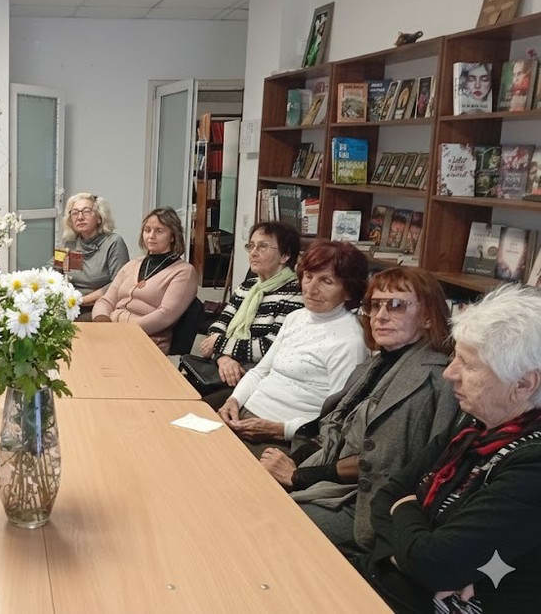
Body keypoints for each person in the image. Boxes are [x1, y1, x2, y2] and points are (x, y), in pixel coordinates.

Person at [363, 284, 541, 613]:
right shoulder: (474, 427)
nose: (449, 373)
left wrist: (405, 511)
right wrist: (405, 556)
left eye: (469, 365)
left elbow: (436, 562)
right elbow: (386, 496)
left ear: (523, 384)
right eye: (454, 357)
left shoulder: (531, 462)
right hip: (398, 585)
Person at [259, 268, 459, 556]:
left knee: (263, 521)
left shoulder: (434, 379)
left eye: (396, 305)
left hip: (364, 503)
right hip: (328, 480)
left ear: (428, 316)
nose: (380, 316)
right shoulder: (375, 364)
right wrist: (294, 464)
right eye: (375, 305)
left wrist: (298, 476)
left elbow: (384, 464)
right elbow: (333, 429)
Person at [216, 241, 369, 457]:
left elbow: (336, 418)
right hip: (245, 415)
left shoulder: (350, 341)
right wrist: (233, 400)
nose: (311, 289)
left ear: (349, 291)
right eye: (308, 277)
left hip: (285, 438)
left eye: (326, 281)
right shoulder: (296, 317)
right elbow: (261, 371)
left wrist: (280, 430)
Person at [199, 221, 304, 396]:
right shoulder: (248, 286)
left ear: (285, 255)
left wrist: (219, 344)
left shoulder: (295, 294)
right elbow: (219, 325)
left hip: (258, 379)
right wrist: (223, 359)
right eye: (251, 246)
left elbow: (269, 348)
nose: (253, 253)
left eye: (262, 246)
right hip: (224, 368)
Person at [92, 207, 197, 354]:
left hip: (146, 341)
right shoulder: (133, 264)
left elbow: (165, 315)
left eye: (159, 231)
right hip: (113, 332)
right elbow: (106, 300)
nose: (151, 236)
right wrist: (102, 321)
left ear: (173, 236)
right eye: (147, 230)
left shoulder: (184, 272)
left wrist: (124, 330)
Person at [58, 192, 129, 317]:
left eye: (86, 211)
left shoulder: (114, 242)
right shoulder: (69, 243)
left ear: (99, 217)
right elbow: (52, 271)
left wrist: (81, 301)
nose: (80, 217)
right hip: (71, 305)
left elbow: (119, 284)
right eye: (75, 213)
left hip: (99, 307)